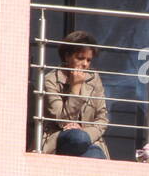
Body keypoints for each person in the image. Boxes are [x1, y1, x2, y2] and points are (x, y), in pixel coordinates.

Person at [40, 30, 109, 158]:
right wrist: (75, 87)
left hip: (89, 140)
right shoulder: (51, 79)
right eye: (80, 58)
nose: (85, 64)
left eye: (89, 60)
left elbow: (102, 119)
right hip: (60, 139)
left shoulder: (94, 79)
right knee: (79, 139)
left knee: (92, 150)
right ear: (67, 56)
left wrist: (84, 132)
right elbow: (62, 121)